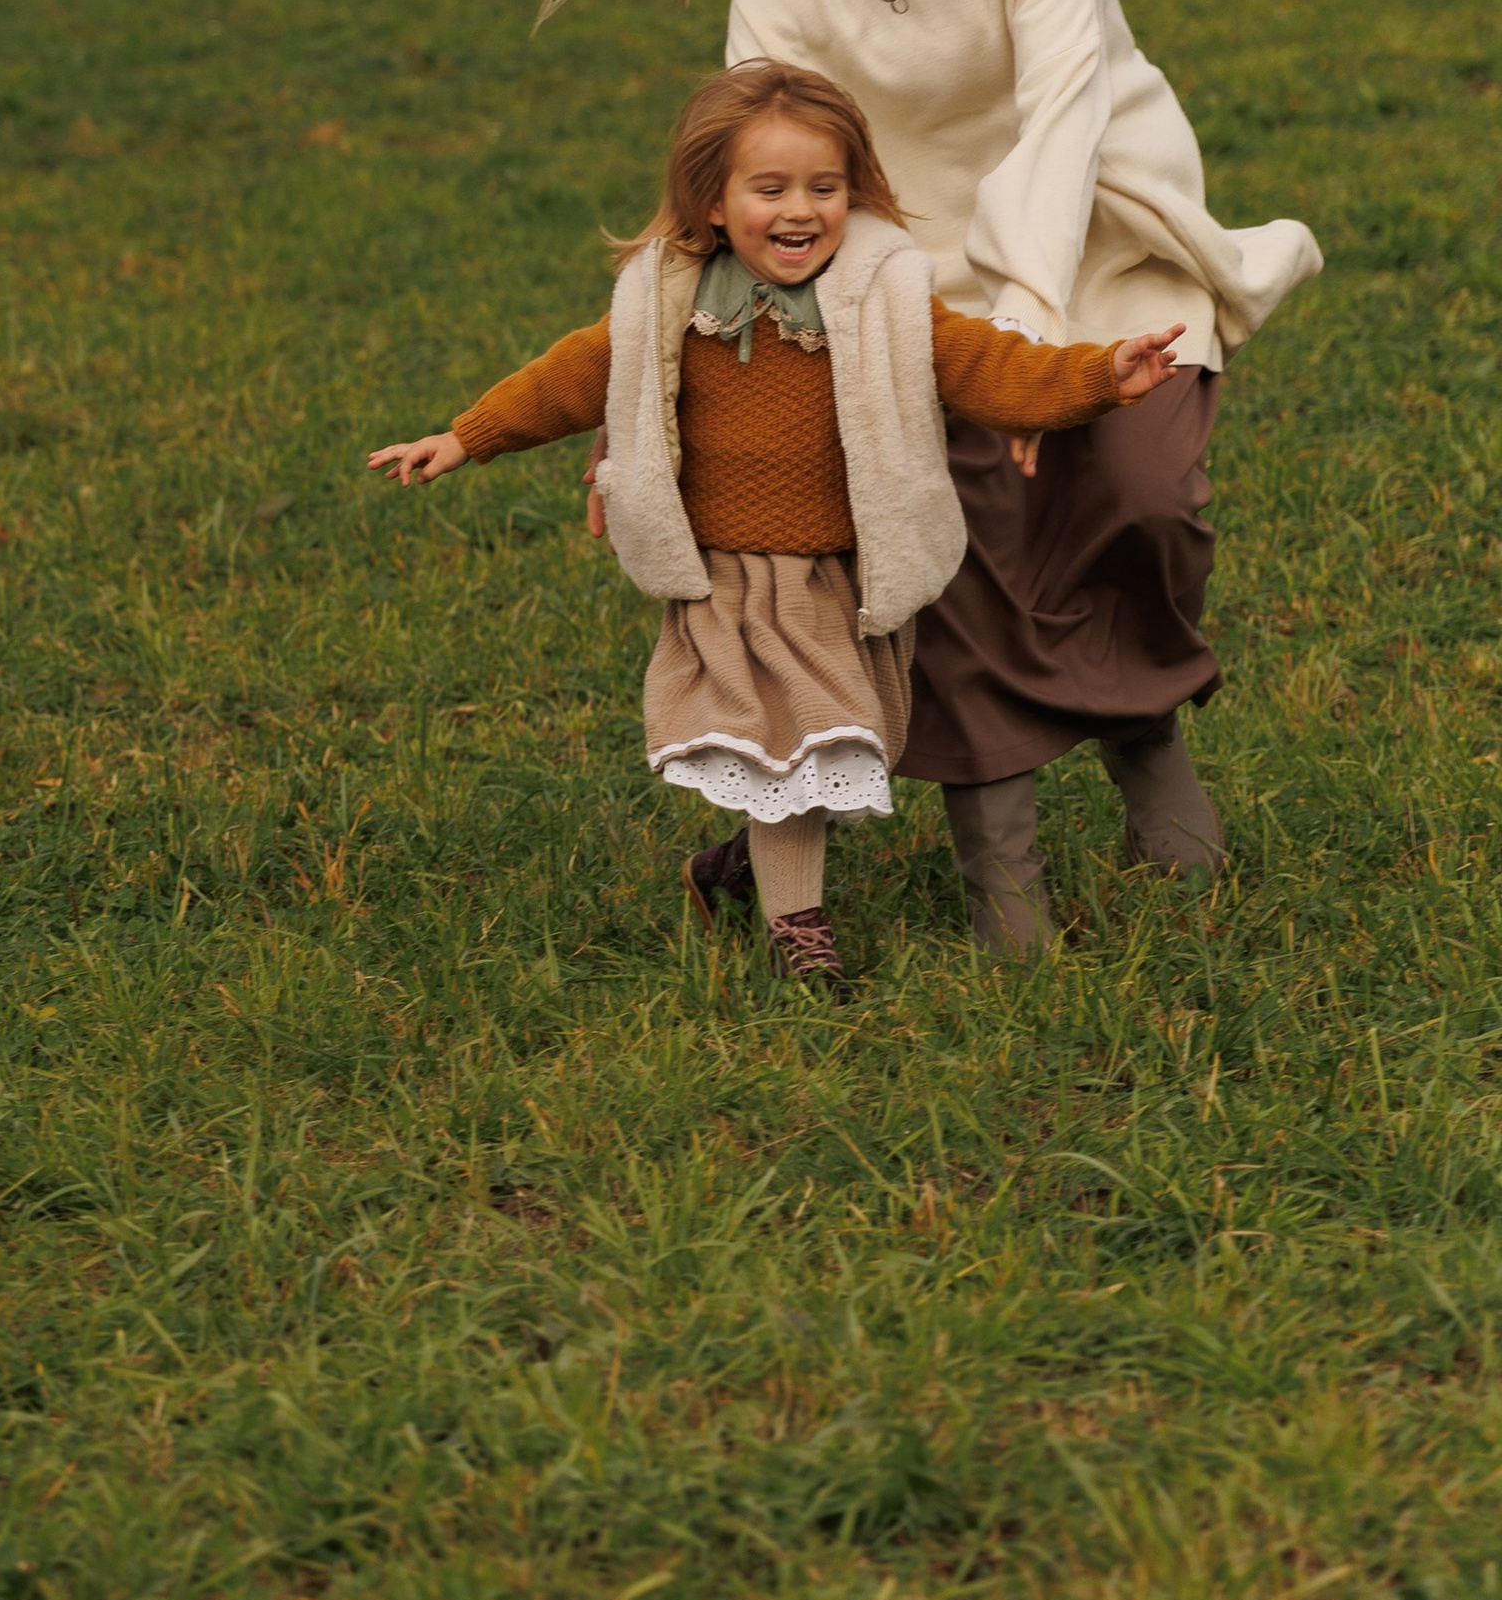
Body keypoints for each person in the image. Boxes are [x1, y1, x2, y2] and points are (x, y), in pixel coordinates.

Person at [543, 0, 1321, 956]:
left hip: (1104, 238)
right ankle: (1001, 874)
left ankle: (1145, 736)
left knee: (1136, 496)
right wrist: (640, 412)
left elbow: (1065, 102)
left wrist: (1030, 324)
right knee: (944, 552)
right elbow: (739, 192)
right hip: (913, 290)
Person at [371, 62, 1182, 989]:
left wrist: (1093, 377)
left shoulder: (880, 302)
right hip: (729, 580)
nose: (799, 210)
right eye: (771, 188)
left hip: (840, 576)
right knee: (800, 749)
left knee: (827, 752)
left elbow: (982, 365)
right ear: (713, 202)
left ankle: (731, 869)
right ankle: (801, 935)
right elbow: (568, 378)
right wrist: (465, 437)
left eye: (823, 188)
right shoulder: (668, 306)